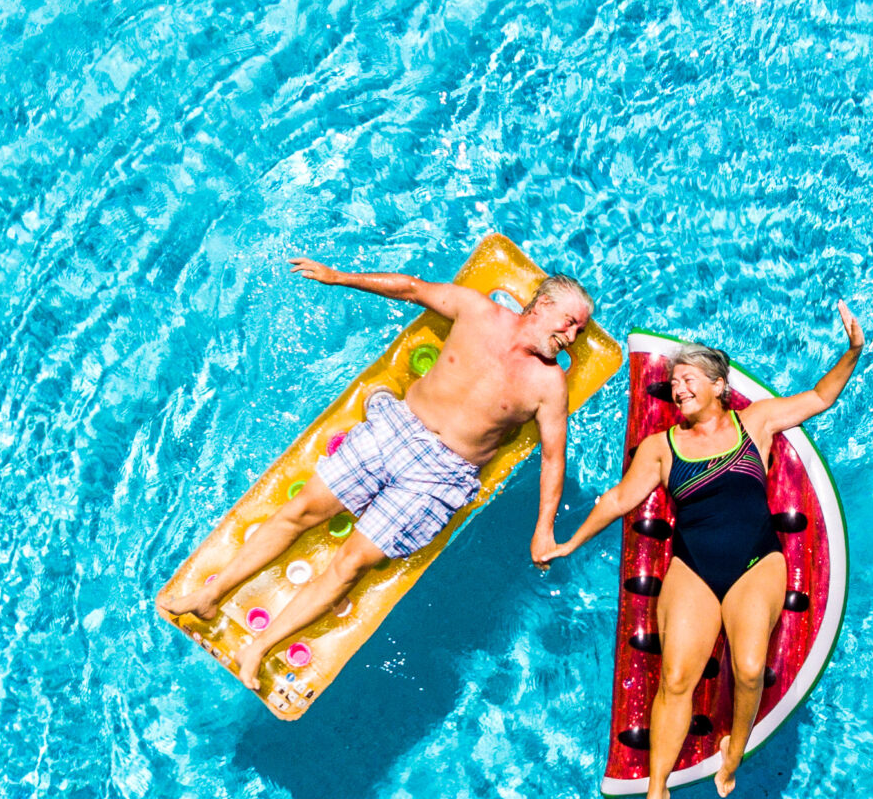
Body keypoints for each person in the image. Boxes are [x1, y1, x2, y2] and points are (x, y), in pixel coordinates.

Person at [159, 257, 593, 689]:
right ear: (542, 305)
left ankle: (259, 648)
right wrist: (338, 276)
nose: (571, 337)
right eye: (571, 322)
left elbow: (554, 458)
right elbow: (411, 288)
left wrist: (543, 530)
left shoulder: (549, 385)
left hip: (442, 475)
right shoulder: (478, 311)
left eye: (579, 333)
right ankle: (211, 595)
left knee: (351, 563)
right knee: (301, 510)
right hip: (397, 429)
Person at [546, 303, 864, 799]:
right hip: (692, 569)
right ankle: (655, 790)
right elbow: (620, 500)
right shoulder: (661, 447)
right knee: (673, 677)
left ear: (719, 385)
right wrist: (568, 541)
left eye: (689, 380)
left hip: (756, 562)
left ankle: (734, 747)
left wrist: (852, 351)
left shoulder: (754, 422)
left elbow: (818, 398)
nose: (679, 389)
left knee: (745, 669)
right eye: (674, 383)